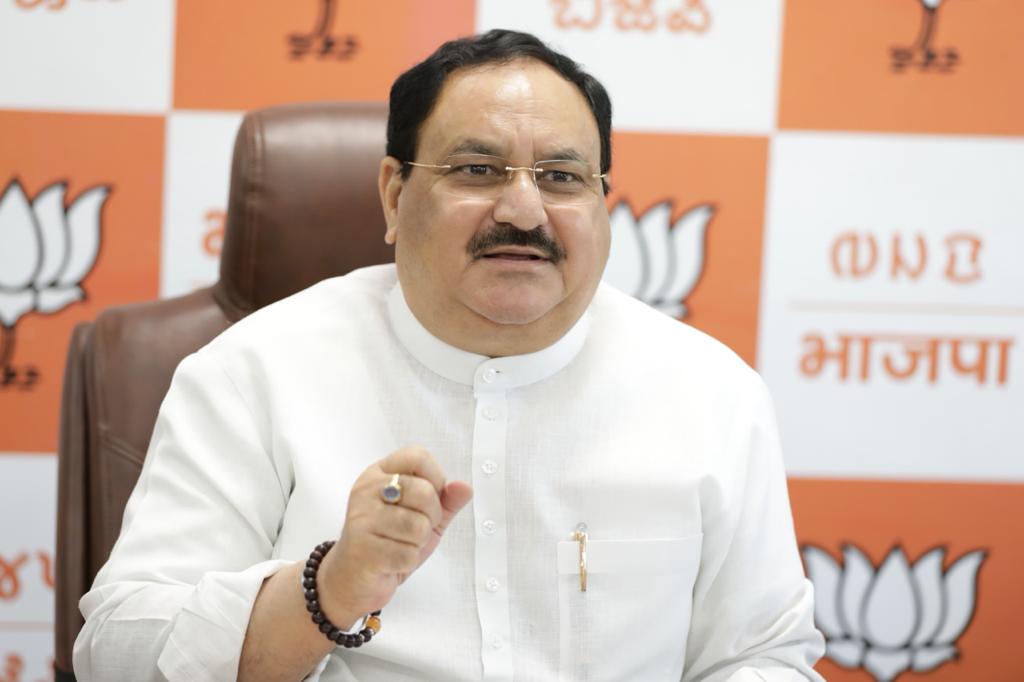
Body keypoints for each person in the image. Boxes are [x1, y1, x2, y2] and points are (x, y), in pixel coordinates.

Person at [74, 29, 824, 681]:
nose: (524, 210)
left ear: (601, 203)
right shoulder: (253, 373)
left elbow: (763, 656)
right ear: (395, 196)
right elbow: (117, 653)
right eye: (478, 170)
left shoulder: (711, 393)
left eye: (561, 178)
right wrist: (328, 590)